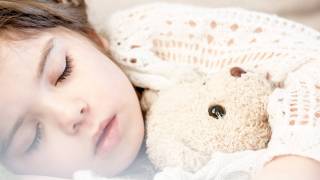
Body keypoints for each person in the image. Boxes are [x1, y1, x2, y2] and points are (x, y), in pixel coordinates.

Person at [0, 1, 319, 180]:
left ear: (92, 37)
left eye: (63, 72)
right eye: (33, 138)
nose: (71, 113)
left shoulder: (146, 37)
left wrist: (295, 160)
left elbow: (307, 57)